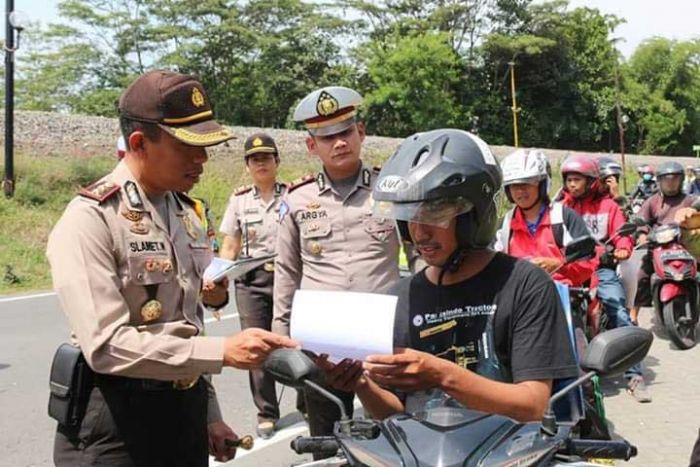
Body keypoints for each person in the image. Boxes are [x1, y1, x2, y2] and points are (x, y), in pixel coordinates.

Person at [47, 70, 297, 467]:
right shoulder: (91, 219)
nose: (202, 159)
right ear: (139, 143)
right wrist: (224, 351)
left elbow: (187, 321)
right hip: (114, 426)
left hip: (183, 413)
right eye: (187, 147)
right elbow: (106, 346)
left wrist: (209, 415)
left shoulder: (184, 214)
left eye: (205, 146)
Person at [318, 129, 578, 423]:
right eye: (409, 216)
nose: (420, 232)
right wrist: (361, 385)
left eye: (434, 212)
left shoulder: (524, 285)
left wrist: (441, 374)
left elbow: (532, 405)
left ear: (474, 215)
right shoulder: (398, 298)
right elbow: (394, 416)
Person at [273, 86, 401, 450]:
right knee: (326, 438)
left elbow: (420, 257)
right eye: (326, 137)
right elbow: (286, 271)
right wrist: (282, 339)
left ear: (360, 132)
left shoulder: (390, 192)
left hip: (383, 337)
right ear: (313, 146)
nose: (339, 142)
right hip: (321, 343)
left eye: (345, 132)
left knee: (396, 435)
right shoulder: (296, 199)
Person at [559, 155, 650, 402]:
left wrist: (623, 248)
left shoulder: (609, 207)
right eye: (568, 180)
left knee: (617, 307)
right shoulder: (561, 207)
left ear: (591, 182)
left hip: (601, 269)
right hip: (568, 270)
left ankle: (635, 375)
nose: (572, 185)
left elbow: (622, 234)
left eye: (577, 179)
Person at [218, 132, 287, 439]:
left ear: (277, 161)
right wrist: (217, 279)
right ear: (247, 166)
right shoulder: (239, 200)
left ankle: (308, 399)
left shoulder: (293, 195)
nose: (261, 163)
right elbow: (230, 245)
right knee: (256, 348)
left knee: (297, 341)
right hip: (251, 282)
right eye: (254, 159)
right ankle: (266, 413)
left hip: (289, 279)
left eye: (266, 157)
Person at [494, 149, 595, 287]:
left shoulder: (564, 218)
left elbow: (587, 264)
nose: (520, 191)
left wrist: (559, 264)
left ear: (542, 184)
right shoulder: (505, 225)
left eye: (527, 183)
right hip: (519, 296)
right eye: (514, 185)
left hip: (559, 295)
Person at [630, 160, 697, 325]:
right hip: (658, 246)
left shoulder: (690, 199)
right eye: (667, 179)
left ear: (681, 180)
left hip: (686, 246)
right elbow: (642, 221)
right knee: (641, 276)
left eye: (674, 179)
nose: (671, 183)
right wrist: (642, 235)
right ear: (659, 181)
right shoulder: (653, 201)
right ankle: (632, 314)